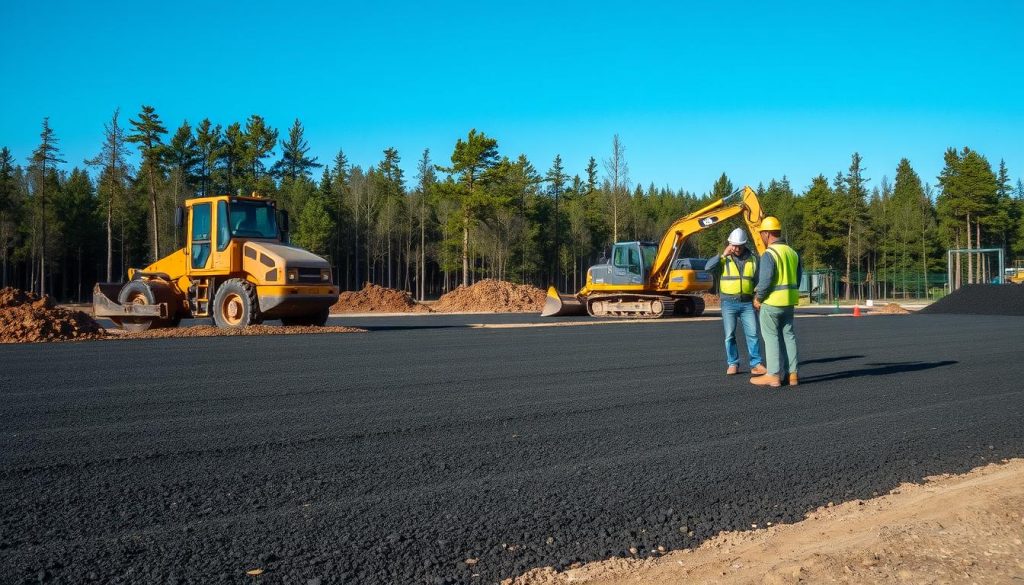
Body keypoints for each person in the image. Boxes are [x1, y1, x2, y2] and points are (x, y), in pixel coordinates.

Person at [706, 228, 765, 376]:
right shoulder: (723, 259)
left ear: (745, 244)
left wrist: (757, 298)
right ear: (729, 244)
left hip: (747, 303)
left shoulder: (753, 259)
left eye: (739, 245)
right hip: (728, 303)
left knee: (753, 334)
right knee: (729, 335)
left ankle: (756, 364)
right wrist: (723, 254)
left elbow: (758, 280)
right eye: (734, 245)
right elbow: (708, 267)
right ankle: (733, 363)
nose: (737, 248)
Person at [751, 217, 802, 388]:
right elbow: (798, 278)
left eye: (761, 234)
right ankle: (792, 374)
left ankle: (773, 375)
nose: (761, 237)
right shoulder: (793, 253)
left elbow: (765, 280)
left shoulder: (769, 254)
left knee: (771, 337)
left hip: (772, 303)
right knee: (789, 336)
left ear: (767, 233)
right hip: (789, 303)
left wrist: (758, 299)